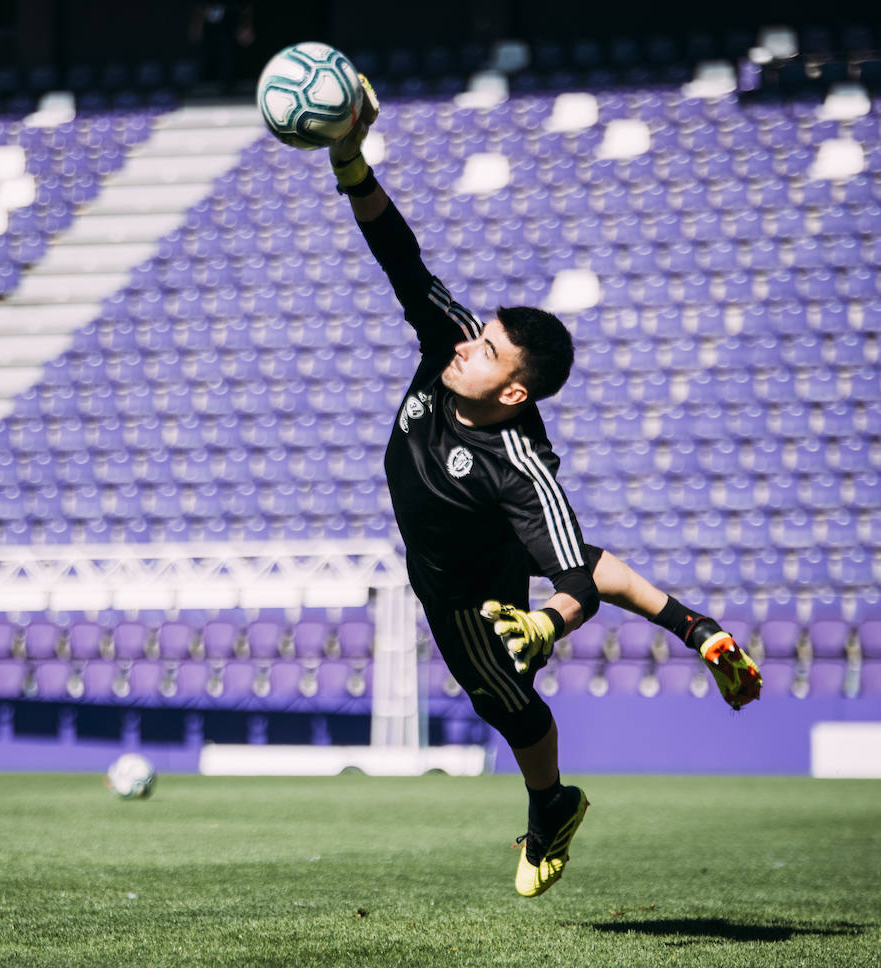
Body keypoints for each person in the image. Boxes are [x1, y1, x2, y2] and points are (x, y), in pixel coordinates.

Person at [327, 78, 762, 898]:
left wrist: (545, 622)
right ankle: (696, 625)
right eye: (479, 337)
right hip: (446, 552)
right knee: (577, 564)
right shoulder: (444, 342)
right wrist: (351, 162)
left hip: (464, 584)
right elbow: (402, 258)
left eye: (486, 352)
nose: (466, 350)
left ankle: (551, 804)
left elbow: (569, 581)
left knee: (506, 699)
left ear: (515, 393)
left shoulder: (521, 466)